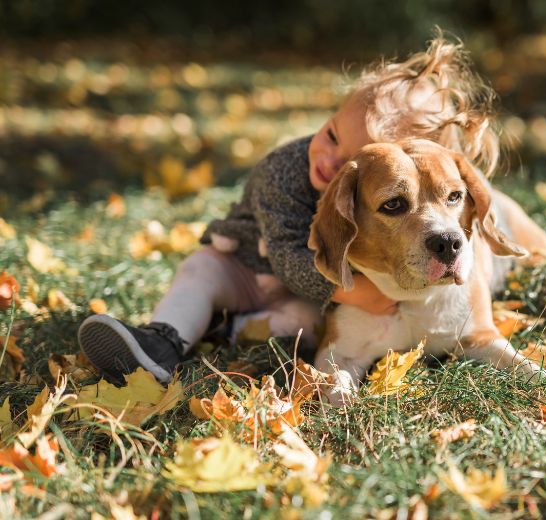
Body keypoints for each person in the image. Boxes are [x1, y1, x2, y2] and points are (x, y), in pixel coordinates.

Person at [77, 37, 507, 383]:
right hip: (244, 266)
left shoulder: (381, 182)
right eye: (332, 135)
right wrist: (357, 292)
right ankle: (160, 342)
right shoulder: (283, 169)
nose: (330, 162)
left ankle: (227, 329)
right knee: (199, 272)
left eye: (354, 158)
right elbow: (286, 254)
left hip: (303, 291)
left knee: (301, 324)